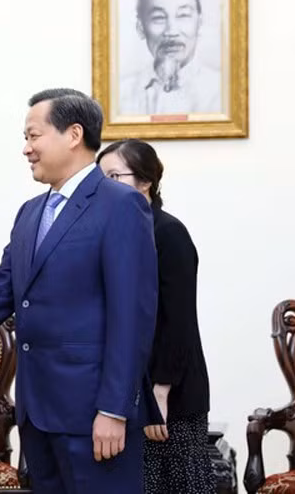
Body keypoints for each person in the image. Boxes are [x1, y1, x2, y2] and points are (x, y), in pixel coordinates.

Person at [0, 89, 159, 493]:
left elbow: (131, 316)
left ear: (73, 135)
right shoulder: (31, 212)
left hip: (93, 415)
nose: (26, 149)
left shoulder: (120, 205)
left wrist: (114, 409)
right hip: (38, 414)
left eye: (34, 136)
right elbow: (1, 291)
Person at [97, 139, 214, 494]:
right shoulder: (113, 233)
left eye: (114, 177)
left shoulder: (168, 232)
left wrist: (159, 393)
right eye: (100, 180)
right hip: (130, 390)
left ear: (145, 181)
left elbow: (178, 320)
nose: (104, 188)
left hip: (169, 390)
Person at [119, 0, 222, 116]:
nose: (171, 31)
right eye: (159, 17)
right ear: (141, 28)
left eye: (183, 15)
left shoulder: (221, 91)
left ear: (199, 22)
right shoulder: (120, 95)